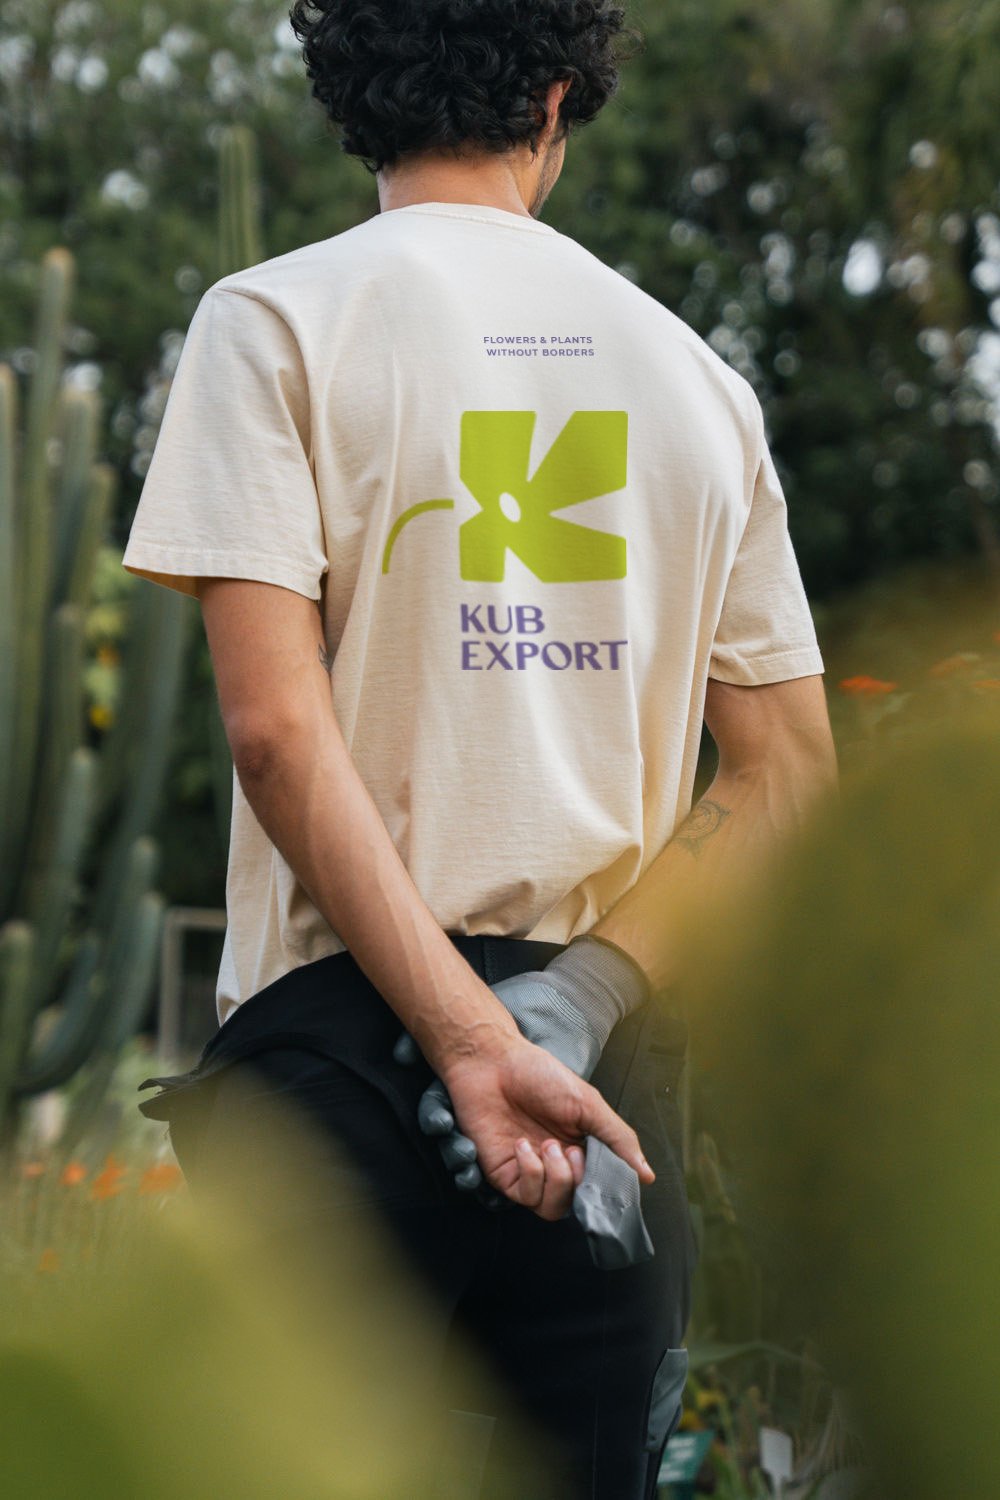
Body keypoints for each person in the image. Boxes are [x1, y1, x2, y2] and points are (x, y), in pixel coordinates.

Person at [125, 2, 839, 1495]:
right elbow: (788, 776)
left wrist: (463, 1044)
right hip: (600, 1110)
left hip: (341, 1071)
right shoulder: (702, 382)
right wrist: (560, 1015)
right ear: (561, 99)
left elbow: (272, 732)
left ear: (354, 97)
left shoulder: (272, 322)